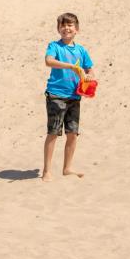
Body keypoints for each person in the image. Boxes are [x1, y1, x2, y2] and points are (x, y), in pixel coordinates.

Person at [42, 12, 95, 182]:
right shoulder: (54, 46)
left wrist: (89, 76)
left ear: (77, 29)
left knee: (72, 134)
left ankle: (67, 168)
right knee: (53, 133)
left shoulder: (81, 50)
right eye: (63, 25)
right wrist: (71, 67)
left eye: (70, 25)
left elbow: (89, 69)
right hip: (56, 95)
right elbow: (48, 61)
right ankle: (46, 171)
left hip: (75, 96)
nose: (66, 28)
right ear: (58, 29)